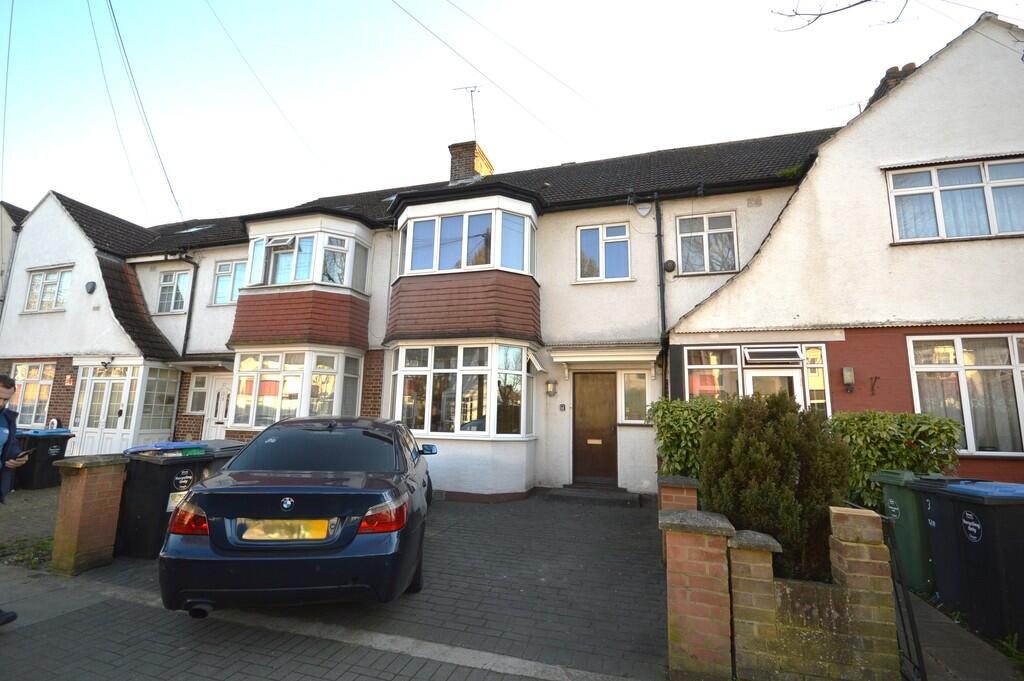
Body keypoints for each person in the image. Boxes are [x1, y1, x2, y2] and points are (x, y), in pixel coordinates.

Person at [0, 374, 29, 626]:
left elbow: (10, 446)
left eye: (5, 399)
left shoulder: (7, 418)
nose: (1, 403)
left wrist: (18, 456)